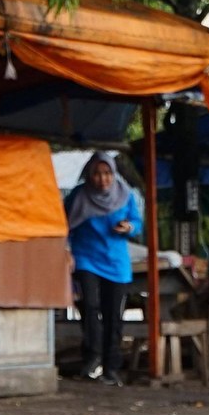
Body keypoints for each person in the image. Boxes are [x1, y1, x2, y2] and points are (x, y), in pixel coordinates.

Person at [64, 153, 143, 384]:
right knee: (89, 306)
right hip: (85, 258)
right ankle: (92, 358)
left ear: (114, 173)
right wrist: (66, 251)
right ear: (89, 174)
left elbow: (137, 222)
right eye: (97, 174)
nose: (103, 179)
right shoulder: (78, 196)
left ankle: (111, 368)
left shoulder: (125, 195)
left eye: (107, 173)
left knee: (113, 316)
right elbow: (64, 226)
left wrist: (129, 226)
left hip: (116, 262)